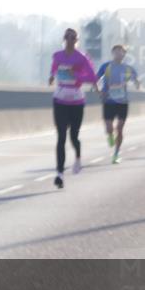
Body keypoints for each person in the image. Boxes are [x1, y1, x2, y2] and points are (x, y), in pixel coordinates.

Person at [48, 28, 99, 188]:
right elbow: (54, 68)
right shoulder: (57, 55)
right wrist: (51, 76)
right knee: (61, 137)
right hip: (60, 99)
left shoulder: (82, 58)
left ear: (77, 40)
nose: (70, 40)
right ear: (64, 39)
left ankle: (77, 156)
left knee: (74, 137)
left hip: (76, 101)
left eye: (73, 38)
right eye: (67, 37)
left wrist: (75, 74)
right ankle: (59, 174)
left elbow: (92, 78)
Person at [96, 44, 140, 164]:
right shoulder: (106, 66)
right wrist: (99, 91)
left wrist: (137, 83)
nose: (118, 54)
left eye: (121, 52)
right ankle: (110, 136)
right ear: (112, 53)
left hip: (122, 102)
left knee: (119, 128)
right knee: (109, 128)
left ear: (124, 54)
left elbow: (136, 80)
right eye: (116, 52)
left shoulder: (128, 68)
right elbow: (96, 79)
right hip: (108, 101)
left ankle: (116, 154)